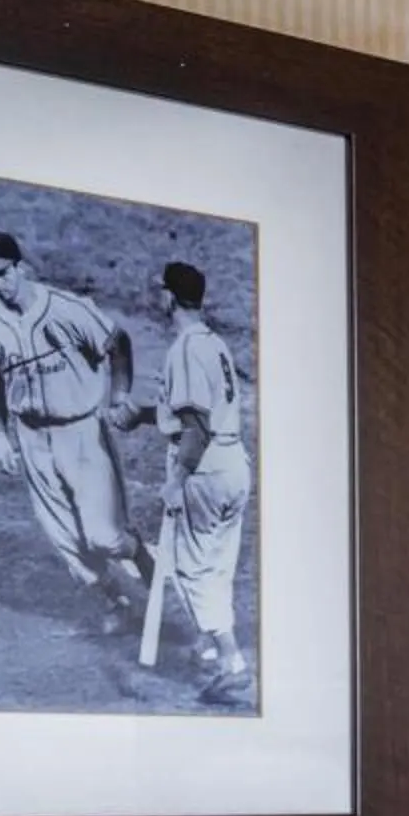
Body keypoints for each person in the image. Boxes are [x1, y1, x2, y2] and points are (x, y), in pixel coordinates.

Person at [0, 230, 160, 639]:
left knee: (103, 536)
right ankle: (113, 602)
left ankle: (138, 552)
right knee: (64, 537)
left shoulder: (66, 309)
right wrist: (1, 435)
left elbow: (116, 341)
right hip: (31, 435)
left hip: (81, 431)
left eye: (2, 273)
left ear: (20, 266)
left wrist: (120, 395)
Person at [142, 260, 256, 706]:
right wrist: (143, 414)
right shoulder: (215, 343)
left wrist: (176, 480)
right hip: (233, 465)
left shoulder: (186, 348)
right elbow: (198, 413)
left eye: (160, 292)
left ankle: (232, 664)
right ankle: (209, 647)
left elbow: (195, 425)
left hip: (203, 467)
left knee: (193, 568)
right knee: (218, 564)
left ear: (169, 296)